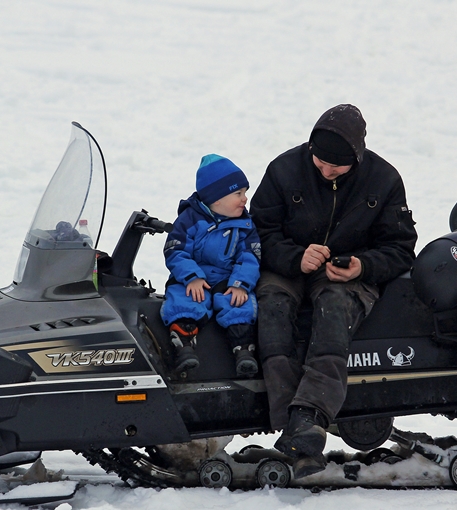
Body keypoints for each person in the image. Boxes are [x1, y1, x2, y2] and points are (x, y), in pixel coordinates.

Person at [250, 104, 417, 477]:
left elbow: (401, 248)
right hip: (286, 268)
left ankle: (310, 416)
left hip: (347, 276)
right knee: (272, 305)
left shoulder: (384, 180)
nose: (325, 170)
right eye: (319, 161)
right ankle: (294, 427)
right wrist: (295, 257)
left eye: (336, 166)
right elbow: (259, 233)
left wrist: (363, 265)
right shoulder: (283, 170)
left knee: (334, 306)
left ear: (356, 158)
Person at [161, 154, 261, 378]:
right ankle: (184, 345)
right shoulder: (189, 220)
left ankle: (243, 350)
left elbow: (250, 257)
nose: (245, 199)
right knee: (185, 298)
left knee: (238, 302)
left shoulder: (245, 225)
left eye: (245, 192)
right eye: (238, 193)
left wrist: (240, 283)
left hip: (227, 278)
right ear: (216, 199)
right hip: (194, 277)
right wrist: (192, 276)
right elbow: (175, 250)